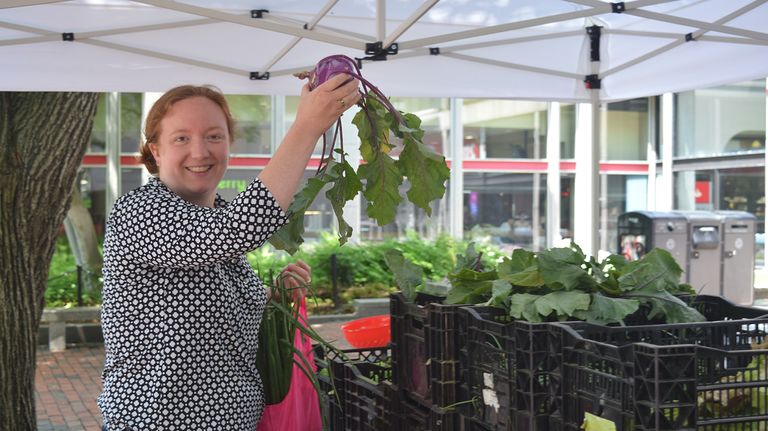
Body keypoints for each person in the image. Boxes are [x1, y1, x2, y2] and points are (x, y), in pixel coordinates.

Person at [98, 75, 361, 430]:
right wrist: (307, 127)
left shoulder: (217, 223)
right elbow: (238, 229)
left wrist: (275, 295)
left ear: (229, 145)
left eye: (214, 136)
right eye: (181, 138)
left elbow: (220, 327)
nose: (200, 151)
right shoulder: (139, 212)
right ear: (156, 150)